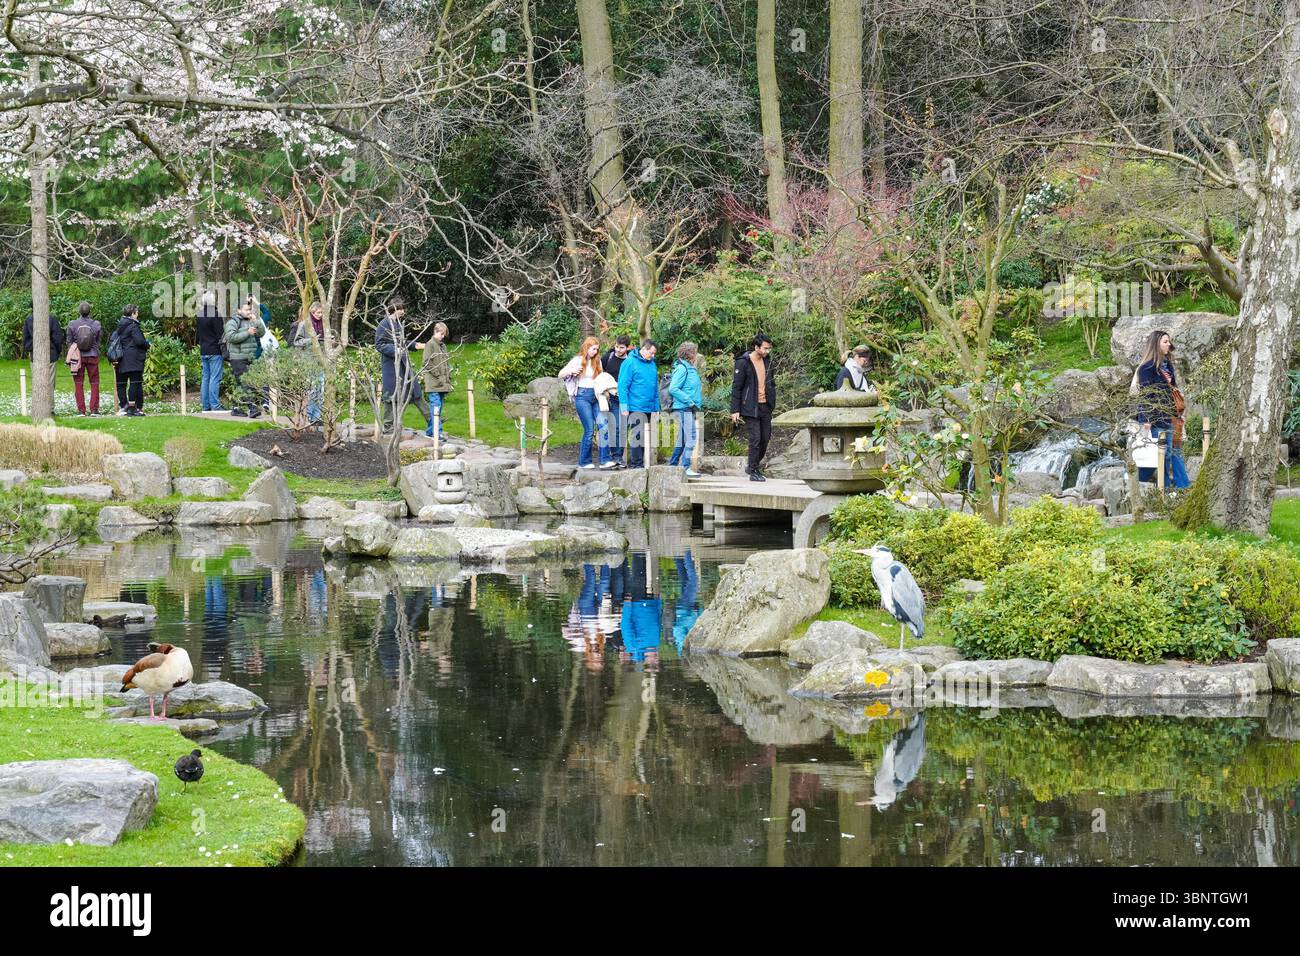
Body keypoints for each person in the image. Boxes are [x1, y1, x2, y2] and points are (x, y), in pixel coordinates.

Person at [1135, 329, 1190, 491]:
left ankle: (1180, 487)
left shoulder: (1167, 366)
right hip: (1156, 418)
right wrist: (1146, 420)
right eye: (1165, 342)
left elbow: (1173, 391)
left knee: (1173, 452)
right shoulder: (1147, 368)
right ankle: (1162, 489)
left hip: (1171, 417)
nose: (1169, 345)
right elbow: (1146, 395)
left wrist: (1179, 414)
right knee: (1161, 454)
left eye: (1169, 342)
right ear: (1156, 344)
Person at [730, 333, 776, 482]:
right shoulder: (743, 362)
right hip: (750, 406)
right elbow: (737, 387)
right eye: (765, 348)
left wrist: (772, 399)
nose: (767, 351)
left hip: (765, 406)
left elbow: (771, 382)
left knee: (765, 438)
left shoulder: (767, 360)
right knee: (755, 438)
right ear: (756, 347)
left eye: (769, 348)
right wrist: (735, 409)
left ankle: (754, 466)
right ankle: (752, 469)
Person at [559, 336, 605, 469]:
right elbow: (560, 374)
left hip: (596, 396)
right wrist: (572, 371)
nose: (595, 352)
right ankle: (584, 462)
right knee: (590, 429)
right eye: (593, 349)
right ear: (586, 348)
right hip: (582, 396)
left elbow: (601, 378)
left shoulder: (598, 361)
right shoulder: (577, 360)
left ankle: (605, 460)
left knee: (603, 425)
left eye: (597, 349)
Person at [375, 296, 416, 435]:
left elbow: (402, 342)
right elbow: (379, 344)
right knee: (389, 394)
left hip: (400, 364)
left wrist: (414, 345)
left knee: (399, 394)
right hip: (389, 365)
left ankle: (396, 424)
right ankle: (387, 427)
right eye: (401, 309)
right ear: (394, 310)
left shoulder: (398, 324)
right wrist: (395, 350)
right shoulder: (384, 324)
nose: (404, 312)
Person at [617, 338, 660, 469]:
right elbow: (622, 386)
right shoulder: (629, 362)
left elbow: (654, 387)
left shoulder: (652, 364)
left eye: (654, 354)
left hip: (648, 407)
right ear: (644, 349)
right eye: (651, 353)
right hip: (635, 406)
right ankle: (637, 466)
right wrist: (624, 406)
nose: (653, 356)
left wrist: (656, 407)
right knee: (637, 435)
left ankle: (641, 464)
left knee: (644, 437)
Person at [666, 341, 703, 476]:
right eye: (695, 352)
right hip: (684, 408)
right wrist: (690, 402)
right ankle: (685, 467)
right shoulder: (683, 368)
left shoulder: (689, 367)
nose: (697, 355)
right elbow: (673, 388)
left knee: (682, 439)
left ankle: (672, 466)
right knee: (692, 436)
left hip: (688, 408)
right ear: (690, 354)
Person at [223, 301, 266, 418]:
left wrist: (256, 321)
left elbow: (262, 333)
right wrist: (247, 332)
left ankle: (237, 408)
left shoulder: (252, 321)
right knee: (246, 383)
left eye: (250, 309)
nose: (249, 312)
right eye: (247, 310)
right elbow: (231, 337)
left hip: (250, 357)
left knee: (242, 383)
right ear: (238, 310)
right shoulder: (232, 322)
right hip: (237, 357)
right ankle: (253, 409)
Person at [416, 321, 452, 440]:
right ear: (436, 332)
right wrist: (438, 375)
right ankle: (438, 432)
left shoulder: (443, 346)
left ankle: (430, 432)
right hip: (433, 383)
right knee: (435, 407)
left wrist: (448, 379)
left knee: (438, 408)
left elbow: (446, 364)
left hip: (442, 383)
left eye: (444, 334)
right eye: (442, 334)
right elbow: (426, 362)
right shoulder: (430, 344)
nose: (443, 337)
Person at [110, 304, 149, 416]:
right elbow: (139, 341)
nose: (138, 315)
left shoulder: (119, 326)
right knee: (135, 382)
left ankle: (124, 406)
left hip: (120, 358)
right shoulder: (133, 325)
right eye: (136, 313)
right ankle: (132, 408)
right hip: (134, 358)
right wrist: (147, 344)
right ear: (132, 314)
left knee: (121, 383)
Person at [292, 302, 327, 423]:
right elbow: (297, 342)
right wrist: (311, 339)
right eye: (318, 312)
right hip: (308, 361)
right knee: (311, 391)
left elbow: (322, 341)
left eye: (322, 313)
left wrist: (328, 339)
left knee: (320, 391)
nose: (320, 315)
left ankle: (317, 417)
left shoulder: (324, 324)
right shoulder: (304, 324)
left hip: (320, 361)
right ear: (312, 312)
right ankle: (309, 417)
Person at [66, 300, 102, 416]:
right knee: (95, 382)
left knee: (78, 383)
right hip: (93, 356)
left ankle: (81, 410)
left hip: (78, 358)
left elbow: (69, 341)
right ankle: (94, 409)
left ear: (79, 311)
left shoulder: (72, 324)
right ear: (90, 311)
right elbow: (98, 340)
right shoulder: (96, 324)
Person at [23, 307, 65, 402]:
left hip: (38, 354)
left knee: (38, 382)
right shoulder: (52, 319)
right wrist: (56, 351)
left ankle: (41, 406)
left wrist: (31, 348)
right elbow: (58, 339)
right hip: (49, 354)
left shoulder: (29, 320)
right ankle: (49, 408)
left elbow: (26, 340)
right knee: (49, 383)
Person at [602, 335, 632, 464]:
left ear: (627, 347)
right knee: (616, 426)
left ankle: (618, 456)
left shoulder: (631, 360)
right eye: (617, 347)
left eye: (622, 348)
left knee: (624, 427)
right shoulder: (607, 358)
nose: (618, 350)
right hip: (612, 397)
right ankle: (615, 456)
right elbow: (600, 375)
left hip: (627, 397)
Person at [195, 290, 225, 412]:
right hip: (215, 350)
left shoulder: (199, 314)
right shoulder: (215, 315)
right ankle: (215, 405)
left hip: (204, 349)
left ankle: (205, 405)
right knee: (215, 378)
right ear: (212, 301)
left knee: (205, 377)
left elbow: (198, 335)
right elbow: (221, 335)